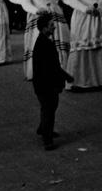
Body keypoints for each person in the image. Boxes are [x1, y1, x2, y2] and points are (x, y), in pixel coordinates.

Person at [32, 13, 74, 151]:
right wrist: (66, 77)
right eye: (51, 25)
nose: (54, 27)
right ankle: (47, 139)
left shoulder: (42, 41)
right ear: (44, 29)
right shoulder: (45, 44)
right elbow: (52, 67)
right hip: (47, 85)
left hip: (42, 84)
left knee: (48, 108)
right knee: (49, 109)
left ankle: (42, 128)